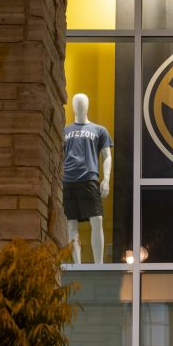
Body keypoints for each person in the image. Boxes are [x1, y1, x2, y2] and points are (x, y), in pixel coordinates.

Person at [62, 93, 113, 264]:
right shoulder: (65, 131)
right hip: (68, 180)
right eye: (76, 103)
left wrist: (106, 178)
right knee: (71, 224)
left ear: (88, 105)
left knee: (97, 219)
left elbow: (107, 155)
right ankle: (77, 265)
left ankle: (98, 264)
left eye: (82, 103)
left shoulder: (99, 130)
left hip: (89, 178)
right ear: (72, 107)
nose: (79, 106)